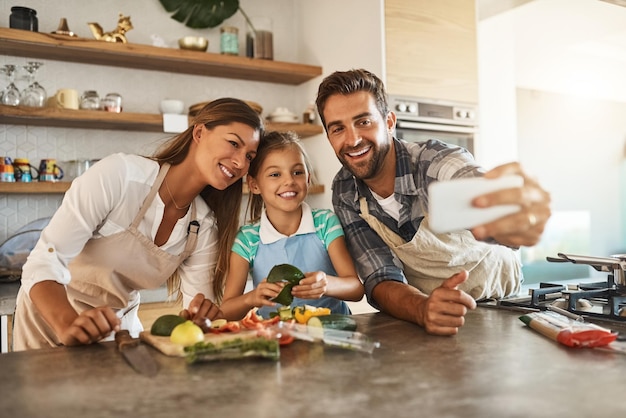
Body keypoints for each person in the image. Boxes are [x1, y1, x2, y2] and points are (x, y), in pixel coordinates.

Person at [12, 98, 263, 350]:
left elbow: (197, 309)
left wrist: (200, 316)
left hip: (115, 330)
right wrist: (68, 324)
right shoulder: (121, 175)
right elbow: (43, 263)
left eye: (249, 156)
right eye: (233, 144)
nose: (241, 163)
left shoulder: (203, 226)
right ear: (199, 132)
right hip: (49, 319)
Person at [315, 69, 552, 336]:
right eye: (338, 128)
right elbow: (380, 277)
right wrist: (422, 308)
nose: (353, 139)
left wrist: (507, 210)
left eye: (364, 122)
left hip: (500, 309)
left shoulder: (432, 163)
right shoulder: (345, 190)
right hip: (426, 315)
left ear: (389, 122)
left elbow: (466, 180)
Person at [220, 131, 364, 320]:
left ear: (308, 179)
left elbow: (355, 289)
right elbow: (226, 310)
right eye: (275, 174)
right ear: (254, 185)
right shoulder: (247, 238)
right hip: (276, 337)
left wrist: (326, 284)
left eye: (297, 172)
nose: (288, 181)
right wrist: (251, 299)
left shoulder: (325, 223)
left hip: (331, 332)